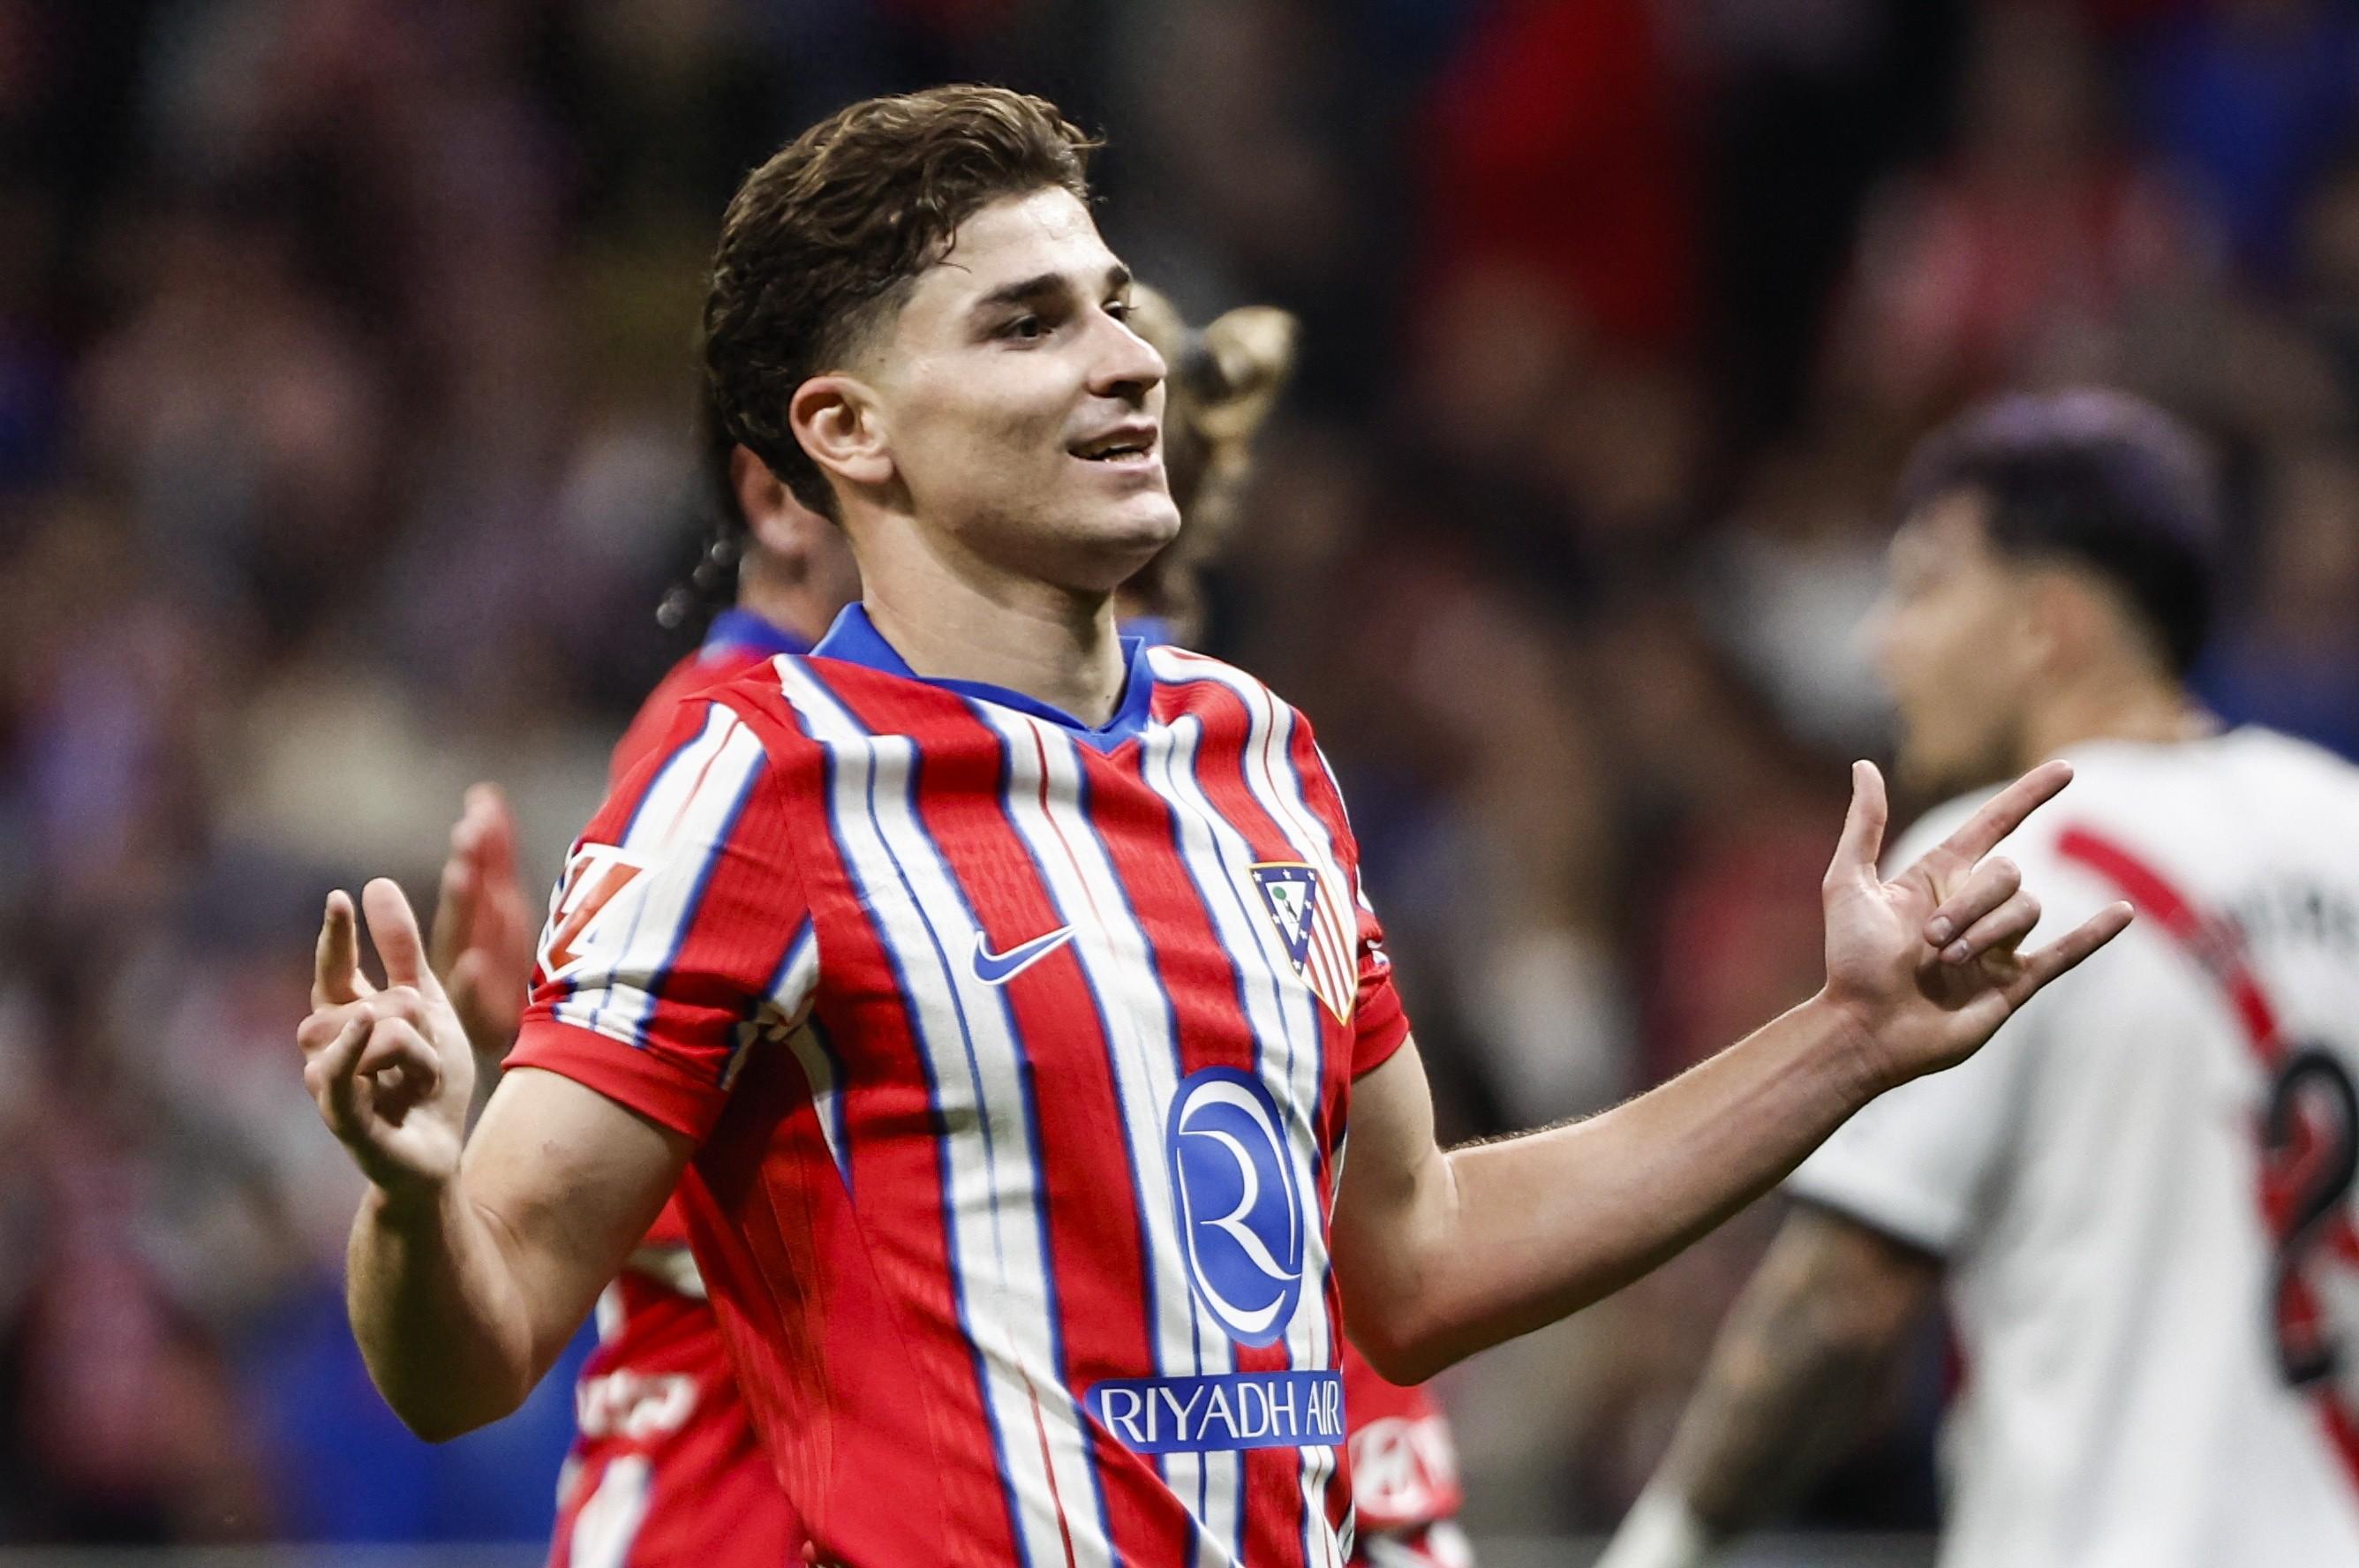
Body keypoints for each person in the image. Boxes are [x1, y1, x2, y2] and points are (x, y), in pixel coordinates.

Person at [296, 86, 2125, 1565]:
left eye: (1112, 302)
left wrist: (1845, 1040)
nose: (1124, 361)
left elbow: (1416, 1259)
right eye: (1029, 324)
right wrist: (411, 1197)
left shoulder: (1259, 756)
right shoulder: (754, 783)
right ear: (849, 433)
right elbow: (478, 1344)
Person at [1597, 390, 2359, 1568]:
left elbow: (1843, 1305)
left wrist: (1662, 1544)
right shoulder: (2342, 823)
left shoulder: (2000, 863)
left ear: (2049, 623)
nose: (1882, 642)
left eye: (1925, 588)